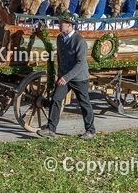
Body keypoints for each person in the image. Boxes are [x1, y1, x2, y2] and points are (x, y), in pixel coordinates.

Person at [37, 12, 95, 140]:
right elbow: (60, 57)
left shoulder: (79, 40)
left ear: (70, 25)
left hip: (79, 78)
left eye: (62, 23)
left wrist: (66, 77)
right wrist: (60, 75)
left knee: (84, 102)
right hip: (64, 77)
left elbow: (80, 63)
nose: (59, 25)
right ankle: (51, 129)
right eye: (59, 23)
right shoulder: (60, 38)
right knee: (56, 99)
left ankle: (90, 131)